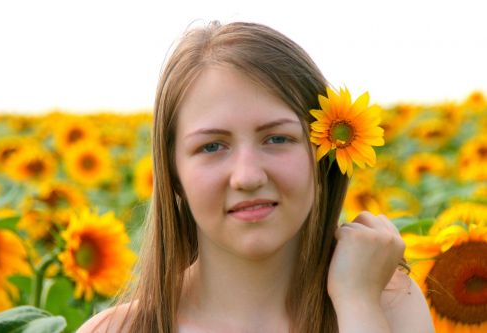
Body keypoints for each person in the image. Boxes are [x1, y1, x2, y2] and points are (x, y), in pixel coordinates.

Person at [77, 21, 434, 332]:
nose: (247, 176)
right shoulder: (115, 330)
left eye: (278, 138)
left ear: (323, 153)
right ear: (172, 172)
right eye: (212, 146)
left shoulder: (390, 306)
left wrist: (357, 303)